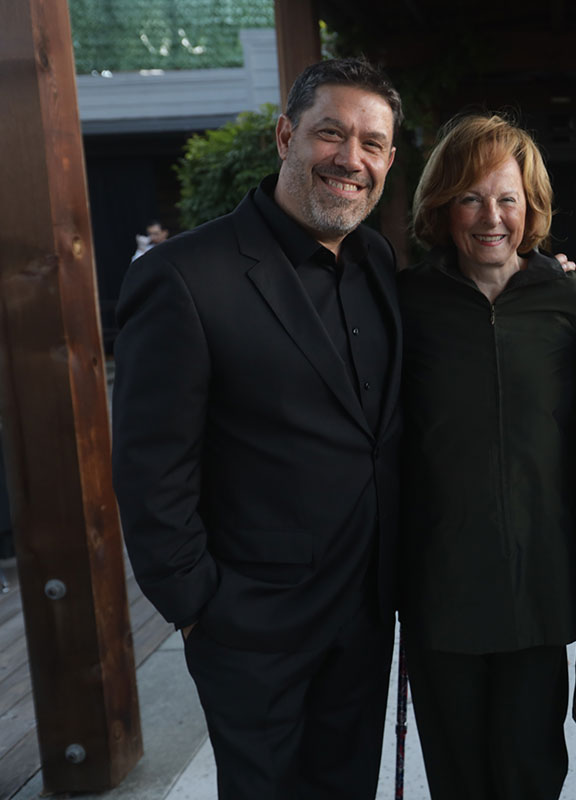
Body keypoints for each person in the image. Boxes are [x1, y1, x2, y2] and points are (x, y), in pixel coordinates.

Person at [112, 57, 404, 800]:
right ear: (286, 135)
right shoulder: (183, 277)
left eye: (372, 143)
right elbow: (151, 471)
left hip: (366, 613)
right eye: (330, 133)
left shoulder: (378, 261)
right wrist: (199, 608)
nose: (351, 158)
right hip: (251, 625)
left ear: (390, 161)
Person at [397, 114, 576, 800]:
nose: (491, 217)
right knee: (458, 776)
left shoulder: (572, 296)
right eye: (471, 198)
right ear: (442, 207)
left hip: (537, 580)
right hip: (439, 583)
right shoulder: (406, 303)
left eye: (507, 199)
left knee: (532, 771)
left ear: (530, 208)